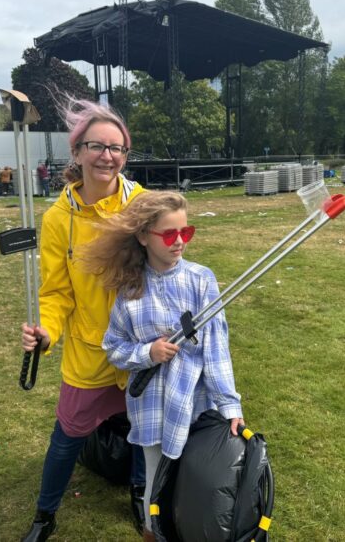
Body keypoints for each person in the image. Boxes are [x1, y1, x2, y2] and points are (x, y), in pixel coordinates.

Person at [20, 98, 146, 542]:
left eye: (118, 148)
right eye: (97, 146)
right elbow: (55, 292)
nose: (108, 156)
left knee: (140, 429)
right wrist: (46, 331)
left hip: (141, 348)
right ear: (77, 152)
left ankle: (139, 493)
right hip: (90, 352)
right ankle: (44, 514)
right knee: (67, 435)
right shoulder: (58, 219)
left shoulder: (142, 206)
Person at [85, 191, 244, 542]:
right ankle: (152, 533)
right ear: (144, 237)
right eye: (170, 235)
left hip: (196, 406)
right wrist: (147, 353)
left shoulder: (201, 280)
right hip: (151, 407)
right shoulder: (130, 291)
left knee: (195, 482)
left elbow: (216, 350)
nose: (179, 243)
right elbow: (114, 347)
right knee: (155, 483)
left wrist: (230, 405)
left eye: (186, 233)